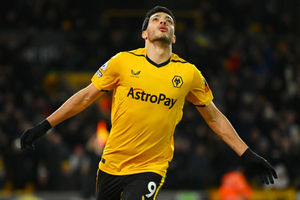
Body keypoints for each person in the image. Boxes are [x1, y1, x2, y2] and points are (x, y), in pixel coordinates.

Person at [20, 6, 277, 200]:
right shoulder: (122, 62)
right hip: (112, 163)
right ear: (144, 32)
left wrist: (246, 153)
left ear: (174, 37)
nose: (163, 22)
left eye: (169, 21)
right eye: (156, 19)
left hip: (150, 167)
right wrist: (44, 126)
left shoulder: (189, 74)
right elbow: (85, 96)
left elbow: (214, 117)